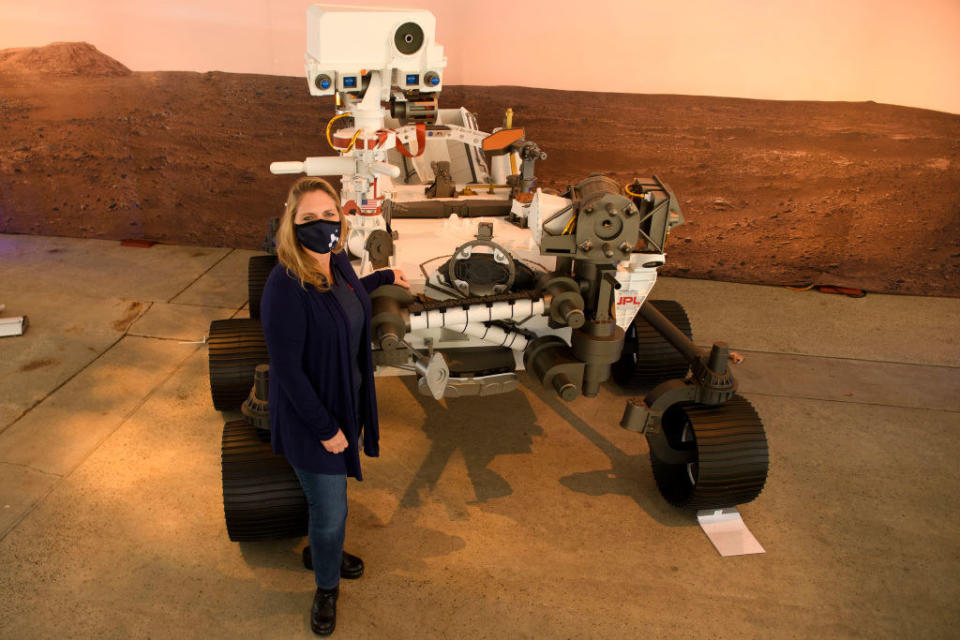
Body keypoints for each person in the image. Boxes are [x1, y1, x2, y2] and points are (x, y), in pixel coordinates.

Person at [260, 176, 409, 636]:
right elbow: (287, 370)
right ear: (292, 223)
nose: (322, 224)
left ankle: (323, 549)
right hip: (314, 419)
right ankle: (326, 587)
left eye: (329, 215)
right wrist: (325, 428)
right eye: (309, 218)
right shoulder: (285, 286)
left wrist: (383, 277)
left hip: (346, 404)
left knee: (332, 504)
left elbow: (349, 299)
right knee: (330, 510)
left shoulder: (336, 260)